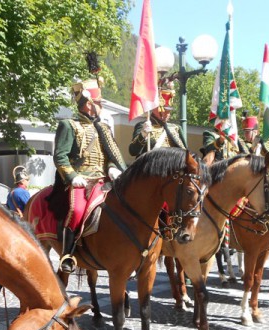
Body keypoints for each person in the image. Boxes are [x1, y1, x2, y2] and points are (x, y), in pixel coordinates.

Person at [51, 77, 127, 273]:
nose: (101, 106)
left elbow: (109, 155)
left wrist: (112, 167)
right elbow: (60, 156)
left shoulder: (104, 128)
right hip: (82, 181)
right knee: (76, 211)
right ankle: (67, 254)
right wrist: (72, 176)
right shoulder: (69, 125)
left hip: (105, 179)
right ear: (89, 104)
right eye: (99, 103)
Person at [129, 79, 187, 158]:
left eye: (169, 111)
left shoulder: (176, 128)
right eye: (165, 110)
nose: (168, 114)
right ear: (155, 108)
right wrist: (142, 135)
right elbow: (133, 151)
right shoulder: (143, 126)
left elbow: (185, 153)